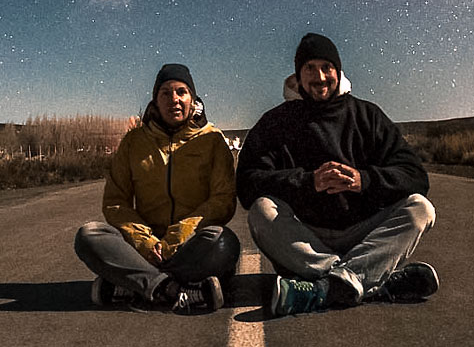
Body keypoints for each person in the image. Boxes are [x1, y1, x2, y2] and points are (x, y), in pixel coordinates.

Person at [236, 32, 438, 316]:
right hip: (305, 238)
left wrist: (363, 181)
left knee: (420, 208)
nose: (319, 77)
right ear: (298, 74)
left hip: (362, 233)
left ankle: (323, 288)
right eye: (309, 69)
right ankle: (366, 278)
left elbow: (415, 175)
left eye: (326, 67)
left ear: (338, 71)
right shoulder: (276, 122)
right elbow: (247, 183)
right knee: (260, 211)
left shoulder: (367, 116)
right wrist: (308, 182)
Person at [74, 63, 240, 313]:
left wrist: (179, 235)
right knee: (89, 235)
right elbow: (115, 202)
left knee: (224, 242)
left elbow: (223, 199)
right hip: (144, 247)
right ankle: (177, 289)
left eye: (181, 91)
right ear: (156, 100)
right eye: (165, 93)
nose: (174, 99)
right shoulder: (134, 142)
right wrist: (144, 241)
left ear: (192, 99)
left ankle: (133, 284)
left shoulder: (212, 140)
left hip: (190, 244)